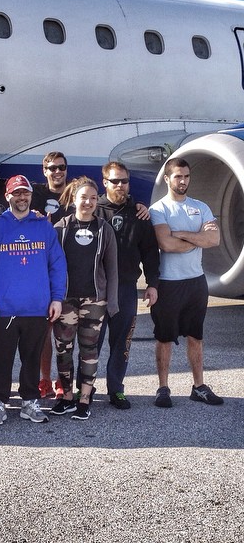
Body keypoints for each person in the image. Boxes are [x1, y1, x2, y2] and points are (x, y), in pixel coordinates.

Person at [0, 175, 66, 425]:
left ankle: (30, 401)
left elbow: (57, 265)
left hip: (37, 307)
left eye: (25, 193)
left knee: (32, 358)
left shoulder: (43, 226)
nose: (21, 197)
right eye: (16, 193)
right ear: (7, 197)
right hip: (4, 308)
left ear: (30, 195)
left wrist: (57, 299)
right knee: (0, 359)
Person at [149, 157, 223, 407]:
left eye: (186, 176)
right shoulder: (158, 209)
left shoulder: (201, 206)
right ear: (168, 179)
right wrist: (197, 238)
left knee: (196, 337)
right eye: (178, 176)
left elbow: (214, 240)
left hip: (196, 282)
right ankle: (163, 388)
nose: (183, 181)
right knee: (165, 338)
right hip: (168, 283)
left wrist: (180, 234)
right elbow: (165, 244)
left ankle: (199, 386)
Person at [52, 176, 118, 420]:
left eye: (92, 198)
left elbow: (112, 269)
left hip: (94, 301)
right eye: (83, 197)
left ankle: (85, 399)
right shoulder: (60, 228)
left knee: (89, 351)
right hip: (66, 300)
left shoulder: (104, 229)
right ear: (73, 199)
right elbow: (51, 265)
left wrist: (111, 302)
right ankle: (66, 396)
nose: (88, 202)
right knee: (63, 350)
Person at [96, 161, 160, 409]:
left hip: (125, 289)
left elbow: (150, 253)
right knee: (91, 344)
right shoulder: (94, 211)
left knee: (122, 343)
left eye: (124, 181)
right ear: (105, 182)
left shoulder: (139, 214)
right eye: (115, 181)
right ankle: (85, 389)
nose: (120, 186)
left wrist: (152, 284)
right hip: (97, 289)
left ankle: (116, 390)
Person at [31, 151, 70, 399]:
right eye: (52, 168)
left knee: (66, 332)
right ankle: (44, 379)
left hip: (73, 270)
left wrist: (138, 204)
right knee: (45, 331)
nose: (57, 172)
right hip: (42, 271)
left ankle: (63, 380)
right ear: (44, 171)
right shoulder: (36, 195)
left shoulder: (75, 194)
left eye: (61, 167)